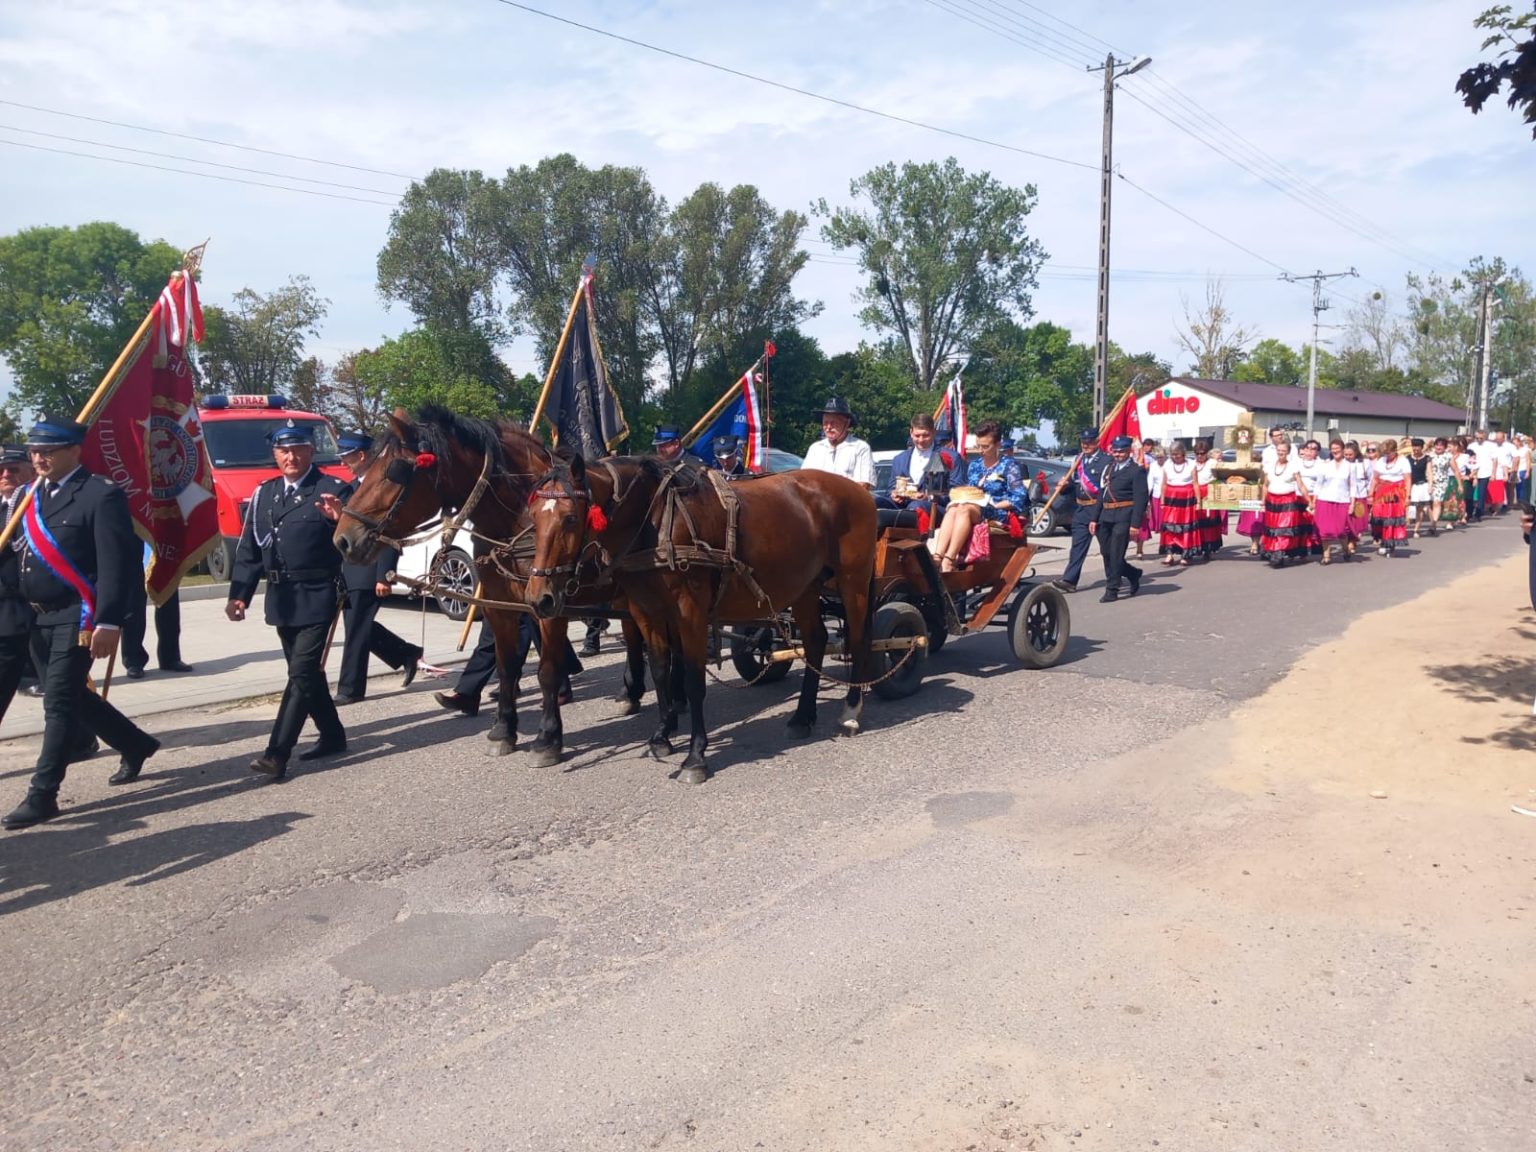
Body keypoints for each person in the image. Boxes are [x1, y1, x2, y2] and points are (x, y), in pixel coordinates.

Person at [3, 416, 161, 830]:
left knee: (57, 702)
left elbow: (115, 563)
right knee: (72, 695)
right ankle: (135, 744)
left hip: (80, 615)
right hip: (36, 615)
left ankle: (43, 794)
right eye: (35, 451)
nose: (38, 458)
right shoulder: (28, 495)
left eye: (47, 451)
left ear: (74, 450)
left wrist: (109, 620)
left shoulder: (99, 494)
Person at [225, 421, 351, 780]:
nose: (291, 457)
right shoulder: (264, 493)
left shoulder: (333, 490)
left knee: (300, 672)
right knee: (307, 674)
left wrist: (338, 519)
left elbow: (356, 539)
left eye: (298, 450)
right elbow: (250, 549)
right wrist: (240, 594)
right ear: (275, 454)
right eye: (284, 451)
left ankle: (276, 753)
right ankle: (332, 734)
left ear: (312, 452)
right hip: (282, 598)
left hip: (319, 593)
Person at [334, 432, 423, 705]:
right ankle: (405, 653)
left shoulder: (383, 486)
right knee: (358, 627)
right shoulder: (351, 488)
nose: (343, 462)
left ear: (361, 455)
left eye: (346, 456)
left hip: (370, 568)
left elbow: (391, 533)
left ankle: (350, 689)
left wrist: (384, 574)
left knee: (357, 628)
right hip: (348, 569)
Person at [436, 610, 578, 716]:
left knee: (543, 635)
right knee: (490, 639)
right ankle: (467, 695)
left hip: (527, 582)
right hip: (499, 585)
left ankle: (560, 687)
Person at [929, 421, 1026, 574]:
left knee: (963, 510)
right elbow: (970, 489)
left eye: (985, 447)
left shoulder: (1009, 466)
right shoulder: (975, 466)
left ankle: (949, 559)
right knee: (954, 508)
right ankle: (937, 556)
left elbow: (1018, 497)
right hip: (973, 506)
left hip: (996, 510)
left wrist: (993, 504)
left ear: (998, 444)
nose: (980, 450)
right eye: (978, 445)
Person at [1051, 429, 1112, 594]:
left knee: (1107, 548)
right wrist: (1064, 486)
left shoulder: (1106, 461)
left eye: (1089, 442)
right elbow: (1073, 485)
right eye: (1083, 442)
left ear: (1097, 442)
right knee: (1077, 546)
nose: (1085, 445)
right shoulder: (1078, 460)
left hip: (1099, 509)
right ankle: (1070, 580)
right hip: (1081, 509)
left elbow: (1107, 489)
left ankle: (1116, 577)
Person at [0, 446, 36, 725]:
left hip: (37, 607)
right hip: (6, 612)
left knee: (62, 686)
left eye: (13, 469)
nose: (5, 475)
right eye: (1, 470)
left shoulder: (39, 504)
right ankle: (84, 738)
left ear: (30, 471)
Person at [1087, 435, 1147, 602]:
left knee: (1115, 554)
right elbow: (1101, 495)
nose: (1118, 454)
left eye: (1121, 452)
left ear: (1129, 451)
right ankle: (1133, 573)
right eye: (1115, 451)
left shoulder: (1137, 471)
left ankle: (1112, 589)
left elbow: (1141, 499)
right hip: (1106, 516)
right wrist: (1094, 518)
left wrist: (1135, 525)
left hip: (1124, 516)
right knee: (1106, 552)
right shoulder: (1109, 469)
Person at [121, 541, 193, 678]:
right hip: (137, 534)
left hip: (163, 537)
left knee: (169, 598)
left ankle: (170, 657)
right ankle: (133, 660)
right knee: (133, 604)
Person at [877, 412, 966, 522]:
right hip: (902, 506)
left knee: (916, 506)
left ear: (933, 433)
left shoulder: (950, 457)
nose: (921, 440)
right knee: (875, 502)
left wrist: (928, 497)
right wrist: (894, 494)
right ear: (911, 433)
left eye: (925, 435)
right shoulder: (899, 459)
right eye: (917, 435)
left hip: (935, 509)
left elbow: (957, 492)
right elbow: (889, 490)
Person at [1258, 438, 1311, 568]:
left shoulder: (1293, 466)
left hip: (1287, 501)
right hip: (1272, 500)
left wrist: (1309, 500)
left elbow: (1301, 485)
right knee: (1273, 529)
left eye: (1284, 450)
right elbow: (1265, 485)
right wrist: (1262, 502)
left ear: (1288, 452)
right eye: (1279, 450)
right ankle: (1275, 551)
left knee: (1283, 529)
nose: (1281, 452)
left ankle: (1279, 553)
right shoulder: (1269, 466)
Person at [801, 396, 875, 488]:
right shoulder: (815, 449)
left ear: (847, 423)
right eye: (825, 423)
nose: (828, 427)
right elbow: (804, 480)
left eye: (833, 423)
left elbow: (863, 485)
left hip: (849, 501)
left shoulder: (860, 448)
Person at [1310, 439, 1357, 565]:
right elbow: (1318, 485)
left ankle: (1346, 550)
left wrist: (1352, 504)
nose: (1335, 451)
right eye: (1333, 449)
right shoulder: (1325, 466)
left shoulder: (1350, 467)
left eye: (1337, 448)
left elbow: (1353, 486)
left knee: (1341, 530)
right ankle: (1326, 555)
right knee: (1325, 530)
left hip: (1342, 501)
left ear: (1342, 449)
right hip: (1324, 500)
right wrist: (1314, 501)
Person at [1156, 441, 1200, 566]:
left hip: (1186, 499)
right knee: (1170, 526)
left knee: (1184, 527)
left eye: (1178, 455)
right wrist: (1162, 501)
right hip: (1171, 498)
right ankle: (1169, 554)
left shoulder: (1191, 464)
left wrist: (1198, 501)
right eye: (1173, 454)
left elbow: (1195, 483)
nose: (1175, 457)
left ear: (1183, 454)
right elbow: (1164, 484)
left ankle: (1185, 554)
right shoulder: (1167, 465)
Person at [1368, 438, 1411, 556]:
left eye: (1389, 453)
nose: (1387, 455)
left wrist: (1408, 496)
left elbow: (1407, 479)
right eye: (1385, 453)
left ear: (1394, 450)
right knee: (1378, 517)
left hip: (1396, 491)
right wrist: (1371, 494)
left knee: (1390, 517)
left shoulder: (1403, 461)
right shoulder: (1381, 461)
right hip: (1382, 491)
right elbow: (1375, 479)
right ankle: (1383, 540)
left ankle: (1389, 544)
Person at [1192, 440, 1225, 559]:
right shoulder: (1192, 464)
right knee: (1198, 522)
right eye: (1197, 453)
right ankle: (1197, 546)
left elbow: (1220, 477)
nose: (1199, 456)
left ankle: (1209, 547)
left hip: (1208, 492)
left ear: (1206, 453)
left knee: (1209, 522)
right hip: (1195, 493)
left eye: (1202, 453)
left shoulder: (1212, 463)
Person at [1137, 439, 1164, 560]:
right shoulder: (1152, 465)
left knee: (1166, 524)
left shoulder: (1168, 465)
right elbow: (1150, 483)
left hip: (1168, 498)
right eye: (1158, 457)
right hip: (1155, 496)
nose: (1160, 459)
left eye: (1162, 457)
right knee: (1148, 523)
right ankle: (1139, 549)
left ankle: (1165, 545)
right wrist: (1145, 499)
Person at [1344, 441, 1371, 554]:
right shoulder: (1341, 463)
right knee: (1347, 521)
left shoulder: (1365, 463)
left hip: (1360, 494)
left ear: (1356, 453)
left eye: (1350, 454)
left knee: (1357, 521)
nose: (1348, 457)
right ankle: (1349, 542)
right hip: (1345, 495)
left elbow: (1370, 479)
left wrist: (1370, 494)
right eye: (1346, 454)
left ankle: (1352, 541)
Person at [1405, 438, 1433, 538]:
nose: (1415, 448)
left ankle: (1416, 529)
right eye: (1414, 446)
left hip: (1421, 485)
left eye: (1418, 446)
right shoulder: (1407, 458)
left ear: (1422, 447)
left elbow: (1429, 472)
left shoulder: (1427, 458)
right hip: (1410, 485)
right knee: (1408, 506)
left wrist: (1430, 485)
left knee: (1419, 508)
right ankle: (1407, 523)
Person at [1427, 436, 1454, 534]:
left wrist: (1459, 483)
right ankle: (1432, 520)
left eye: (1441, 446)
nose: (1438, 447)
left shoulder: (1448, 456)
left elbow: (1456, 470)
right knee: (1427, 505)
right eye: (1437, 445)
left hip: (1442, 482)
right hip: (1428, 481)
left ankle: (1433, 524)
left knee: (1437, 503)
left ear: (1445, 447)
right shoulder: (1429, 455)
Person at [1470, 428, 1495, 521]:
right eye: (1477, 438)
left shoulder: (1491, 446)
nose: (1479, 440)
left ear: (1484, 437)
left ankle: (1479, 513)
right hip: (1473, 472)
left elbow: (1494, 459)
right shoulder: (1472, 446)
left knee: (1481, 493)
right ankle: (1469, 511)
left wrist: (1493, 473)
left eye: (1481, 438)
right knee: (1471, 493)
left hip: (1485, 472)